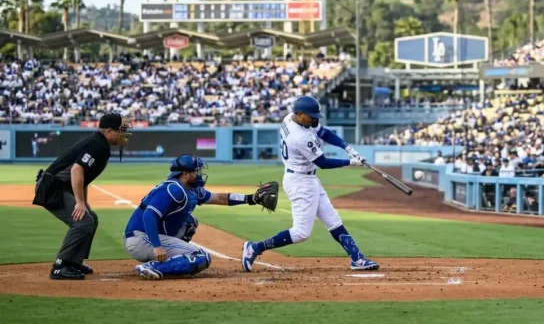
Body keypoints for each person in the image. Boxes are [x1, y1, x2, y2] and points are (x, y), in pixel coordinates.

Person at [242, 96, 378, 271]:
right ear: (299, 114)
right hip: (301, 182)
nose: (315, 119)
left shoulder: (288, 119)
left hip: (306, 179)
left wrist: (347, 147)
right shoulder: (301, 137)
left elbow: (324, 132)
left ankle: (357, 259)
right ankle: (255, 248)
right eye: (311, 116)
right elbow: (323, 163)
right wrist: (351, 162)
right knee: (301, 233)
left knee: (333, 220)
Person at [125, 155, 276, 280]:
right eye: (196, 171)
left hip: (148, 237)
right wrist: (157, 246)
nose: (199, 174)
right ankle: (152, 266)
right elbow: (149, 215)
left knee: (190, 223)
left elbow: (220, 198)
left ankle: (169, 259)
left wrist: (251, 199)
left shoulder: (191, 189)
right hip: (141, 239)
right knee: (201, 257)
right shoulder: (173, 189)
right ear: (185, 174)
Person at [38, 114, 131, 280]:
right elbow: (76, 170)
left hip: (59, 187)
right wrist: (79, 202)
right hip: (52, 187)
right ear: (109, 131)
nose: (123, 134)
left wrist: (84, 202)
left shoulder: (100, 143)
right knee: (82, 220)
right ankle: (61, 266)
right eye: (121, 130)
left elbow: (85, 178)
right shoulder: (97, 144)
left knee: (90, 217)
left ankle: (74, 261)